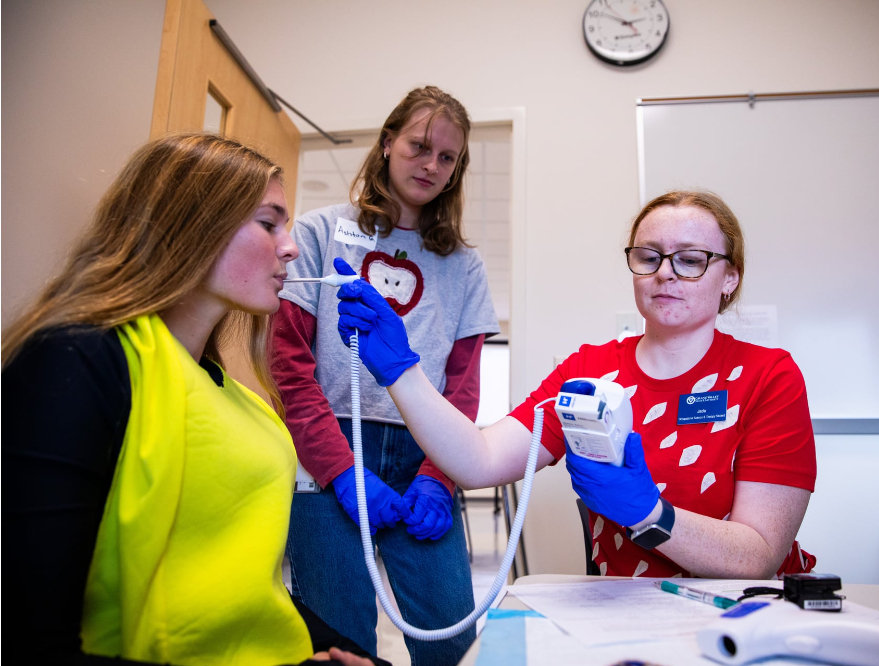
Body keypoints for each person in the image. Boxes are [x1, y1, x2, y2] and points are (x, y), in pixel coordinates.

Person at [1, 133, 387, 666]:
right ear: (192, 225)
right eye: (268, 223)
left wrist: (346, 653)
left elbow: (254, 593)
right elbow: (31, 643)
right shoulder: (74, 362)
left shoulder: (238, 397)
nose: (291, 246)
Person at [334, 190, 817, 581]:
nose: (665, 272)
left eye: (691, 260)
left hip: (739, 622)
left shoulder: (767, 376)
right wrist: (402, 372)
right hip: (622, 620)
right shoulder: (591, 371)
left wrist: (653, 515)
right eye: (649, 257)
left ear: (730, 276)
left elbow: (759, 556)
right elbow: (479, 460)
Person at [271, 86, 498, 665]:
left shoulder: (464, 266)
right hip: (327, 453)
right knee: (344, 644)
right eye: (419, 146)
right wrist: (339, 470)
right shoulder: (320, 234)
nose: (431, 165)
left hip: (424, 455)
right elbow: (290, 372)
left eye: (447, 158)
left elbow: (462, 391)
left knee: (450, 641)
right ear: (388, 142)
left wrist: (437, 478)